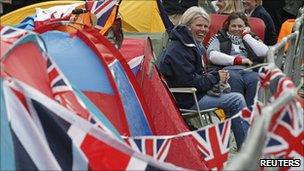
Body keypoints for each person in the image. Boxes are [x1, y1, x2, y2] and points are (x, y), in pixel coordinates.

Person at [158, 6, 248, 149]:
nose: (203, 30)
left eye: (206, 26)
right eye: (199, 25)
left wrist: (214, 76)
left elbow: (196, 75)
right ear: (187, 26)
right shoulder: (178, 49)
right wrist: (215, 77)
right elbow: (188, 81)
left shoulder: (188, 44)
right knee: (236, 100)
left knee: (228, 92)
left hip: (192, 94)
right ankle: (246, 149)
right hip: (186, 99)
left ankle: (226, 144)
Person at [207, 12, 269, 109]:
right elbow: (212, 55)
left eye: (240, 26)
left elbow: (264, 52)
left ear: (245, 27)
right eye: (233, 26)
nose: (237, 29)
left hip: (249, 70)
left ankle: (251, 114)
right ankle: (237, 114)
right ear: (228, 26)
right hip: (228, 70)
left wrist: (246, 36)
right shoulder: (219, 37)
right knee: (234, 78)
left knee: (256, 79)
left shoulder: (250, 38)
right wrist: (237, 60)